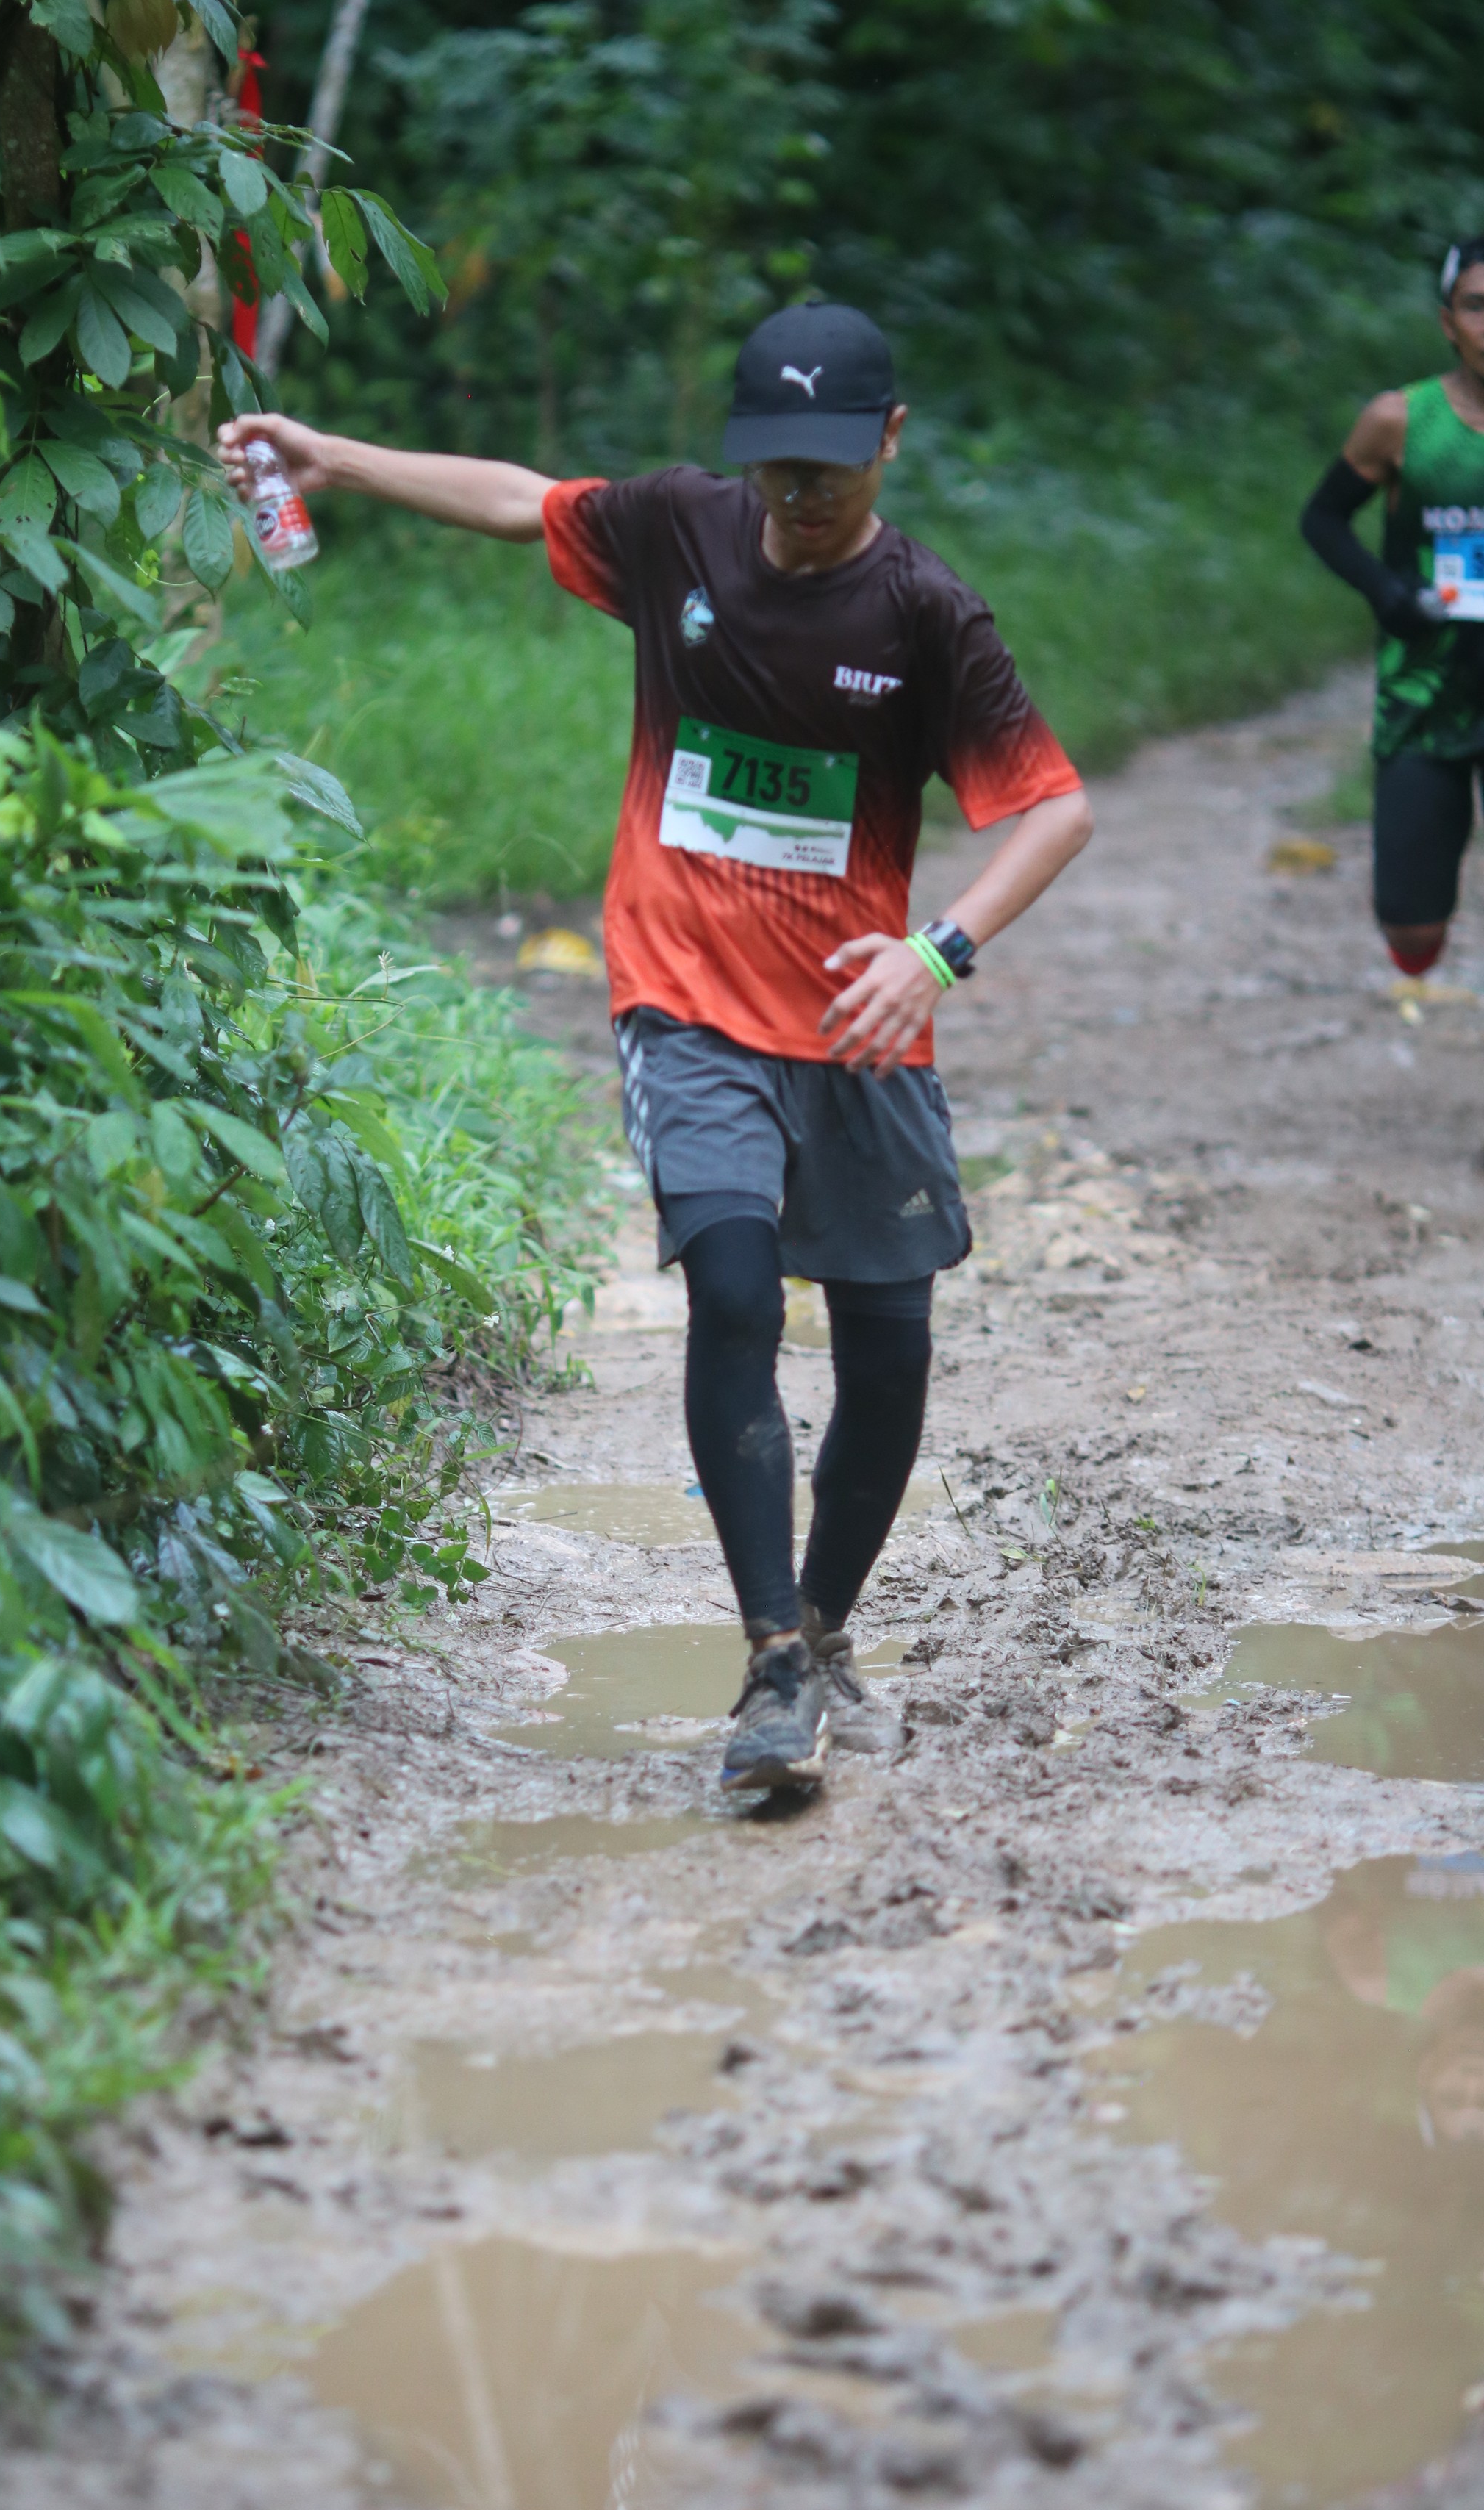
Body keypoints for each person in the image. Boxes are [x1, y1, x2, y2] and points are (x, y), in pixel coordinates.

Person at [219, 300, 1092, 1792]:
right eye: (776, 463)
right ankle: (772, 1662)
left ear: (889, 441)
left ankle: (826, 1624)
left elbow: (1054, 809)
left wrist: (936, 950)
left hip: (855, 1021)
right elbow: (523, 501)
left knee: (889, 1352)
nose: (798, 494)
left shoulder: (926, 616)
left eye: (830, 465)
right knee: (734, 1289)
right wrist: (335, 461)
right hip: (682, 999)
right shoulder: (681, 528)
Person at [1301, 240, 1484, 978]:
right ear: (1448, 322)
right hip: (1426, 690)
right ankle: (1418, 938)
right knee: (1411, 929)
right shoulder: (1400, 419)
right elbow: (1322, 520)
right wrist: (1386, 592)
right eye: (1477, 306)